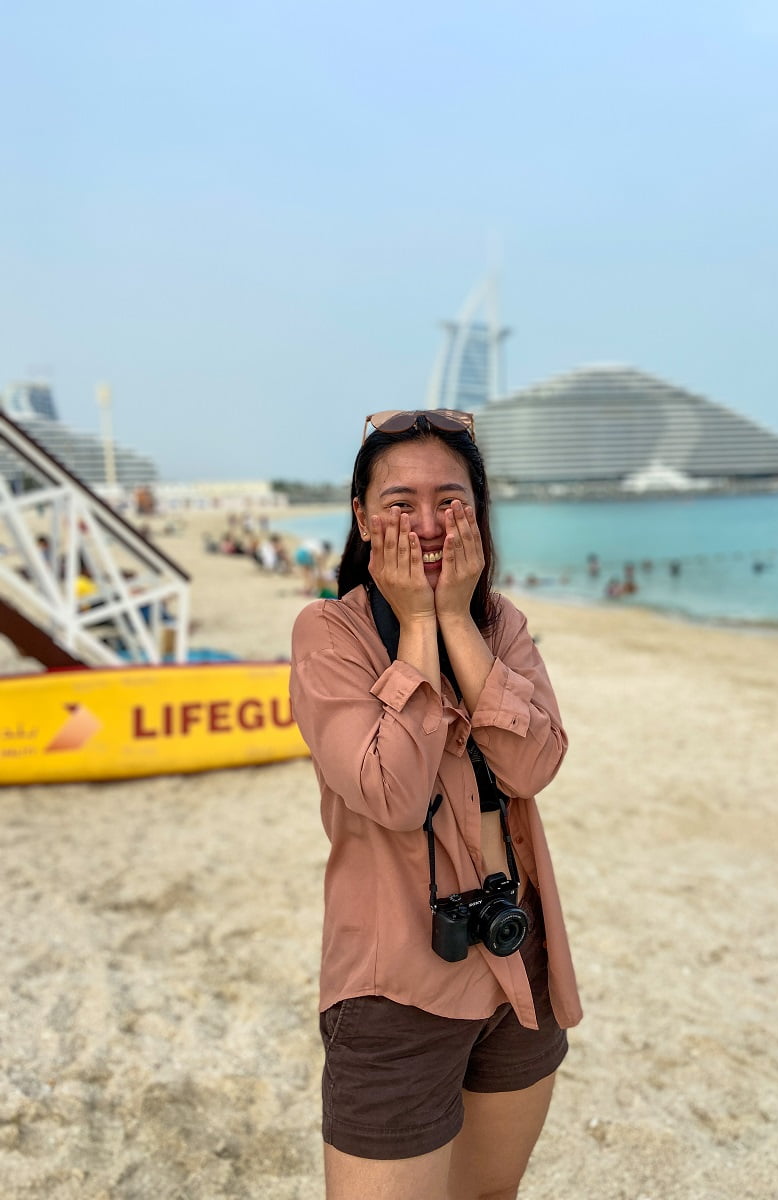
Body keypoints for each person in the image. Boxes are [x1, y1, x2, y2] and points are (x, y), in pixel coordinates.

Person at [289, 409, 581, 1200]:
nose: (426, 523)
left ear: (479, 514)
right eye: (399, 502)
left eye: (450, 500)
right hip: (396, 986)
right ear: (359, 516)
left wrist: (456, 619)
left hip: (517, 961)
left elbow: (534, 764)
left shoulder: (500, 624)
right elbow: (393, 790)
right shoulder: (329, 634)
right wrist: (419, 624)